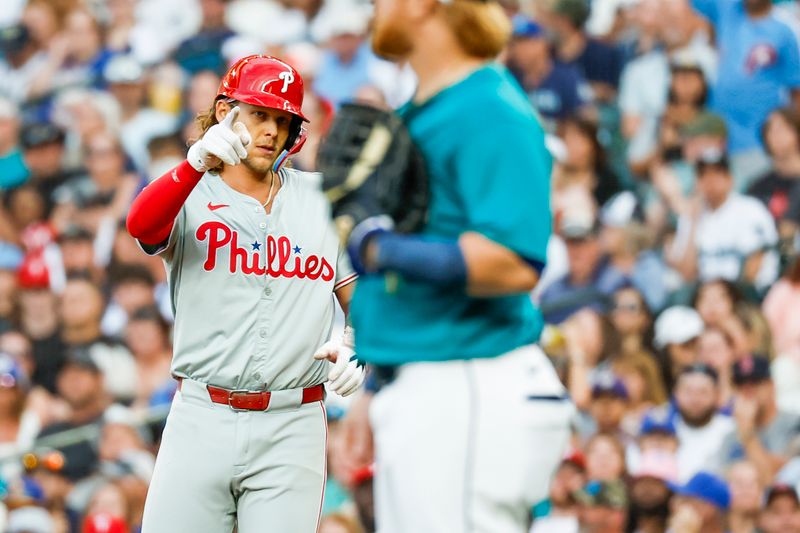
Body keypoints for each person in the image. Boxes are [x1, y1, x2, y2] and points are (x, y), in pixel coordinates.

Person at [339, 0, 573, 531]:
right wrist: (379, 386)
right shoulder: (427, 110)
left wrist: (380, 248)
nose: (373, 7)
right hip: (431, 380)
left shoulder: (488, 110)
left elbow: (513, 263)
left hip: (471, 383)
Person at [126, 54, 365, 532]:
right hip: (201, 413)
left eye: (282, 119)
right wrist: (194, 163)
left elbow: (361, 293)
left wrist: (360, 337)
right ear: (224, 111)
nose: (271, 131)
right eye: (259, 114)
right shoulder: (188, 192)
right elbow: (141, 225)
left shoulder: (321, 198)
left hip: (292, 419)